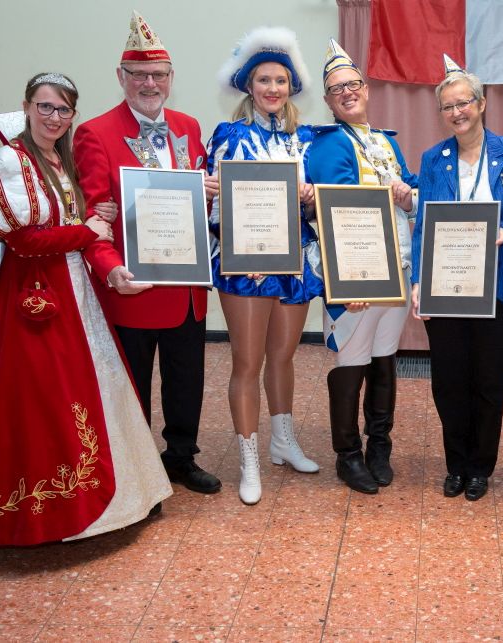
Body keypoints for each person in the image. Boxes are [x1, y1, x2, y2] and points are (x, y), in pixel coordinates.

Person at [0, 72, 172, 546]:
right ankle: (41, 512)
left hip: (74, 292)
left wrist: (94, 229)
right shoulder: (9, 161)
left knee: (88, 386)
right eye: (45, 107)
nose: (54, 117)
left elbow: (73, 223)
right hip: (31, 297)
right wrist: (87, 232)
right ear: (27, 107)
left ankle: (116, 492)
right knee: (41, 397)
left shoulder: (60, 163)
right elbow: (21, 240)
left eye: (63, 110)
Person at [74, 12, 221, 495]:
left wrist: (210, 193)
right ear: (121, 78)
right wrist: (112, 269)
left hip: (185, 287)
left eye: (158, 74)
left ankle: (181, 457)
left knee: (186, 382)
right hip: (133, 285)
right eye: (139, 75)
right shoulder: (94, 133)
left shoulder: (189, 125)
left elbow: (190, 201)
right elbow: (93, 216)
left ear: (171, 79)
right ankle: (136, 473)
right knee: (132, 386)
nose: (149, 83)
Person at [411, 55, 503, 501]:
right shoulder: (433, 160)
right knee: (448, 381)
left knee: (489, 382)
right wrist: (418, 281)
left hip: (501, 289)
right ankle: (456, 464)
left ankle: (481, 466)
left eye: (463, 103)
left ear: (482, 104)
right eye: (447, 107)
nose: (456, 113)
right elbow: (424, 224)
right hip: (447, 289)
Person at [206, 27, 322, 505]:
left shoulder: (307, 141)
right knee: (247, 363)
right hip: (246, 267)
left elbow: (318, 208)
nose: (272, 88)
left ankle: (281, 439)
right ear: (248, 87)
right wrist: (210, 193)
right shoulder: (230, 135)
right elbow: (216, 210)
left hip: (293, 263)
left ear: (291, 87)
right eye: (264, 81)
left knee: (283, 357)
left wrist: (313, 198)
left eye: (280, 81)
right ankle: (248, 458)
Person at [307, 40, 417, 494]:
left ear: (366, 89)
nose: (347, 93)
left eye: (353, 85)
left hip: (398, 266)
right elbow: (328, 215)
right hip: (356, 274)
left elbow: (410, 195)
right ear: (328, 101)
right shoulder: (327, 144)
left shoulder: (387, 143)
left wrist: (409, 194)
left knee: (385, 357)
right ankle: (348, 454)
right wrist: (342, 278)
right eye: (337, 90)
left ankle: (380, 445)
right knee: (351, 360)